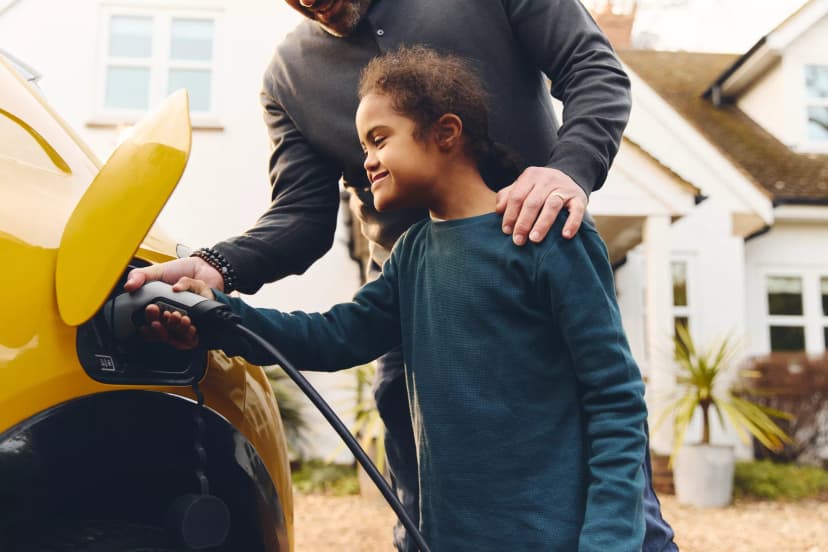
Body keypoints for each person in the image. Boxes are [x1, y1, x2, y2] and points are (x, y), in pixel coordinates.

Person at [125, 1, 678, 550]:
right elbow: (319, 279)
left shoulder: (555, 245)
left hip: (534, 244)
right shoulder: (291, 82)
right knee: (424, 496)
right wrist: (217, 295)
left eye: (379, 141)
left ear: (447, 132)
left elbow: (614, 401)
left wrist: (567, 172)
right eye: (362, 144)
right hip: (412, 313)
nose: (364, 164)